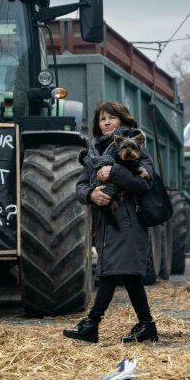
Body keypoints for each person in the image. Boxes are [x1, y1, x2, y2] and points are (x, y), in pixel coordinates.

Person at [63, 101, 157, 344]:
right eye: (102, 119)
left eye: (111, 118)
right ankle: (146, 325)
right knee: (128, 276)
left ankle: (91, 324)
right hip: (105, 223)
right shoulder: (94, 153)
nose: (106, 122)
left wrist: (113, 173)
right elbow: (81, 186)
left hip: (128, 222)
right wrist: (91, 195)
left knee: (110, 273)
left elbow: (145, 182)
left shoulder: (135, 146)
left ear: (122, 121)